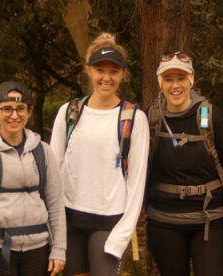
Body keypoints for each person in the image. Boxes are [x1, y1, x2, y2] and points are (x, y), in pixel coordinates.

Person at [50, 33, 149, 276]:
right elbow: (52, 171)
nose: (106, 78)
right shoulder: (69, 112)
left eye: (114, 71)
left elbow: (136, 185)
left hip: (109, 222)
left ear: (123, 74)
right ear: (88, 71)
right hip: (69, 220)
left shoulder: (133, 118)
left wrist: (122, 236)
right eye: (100, 70)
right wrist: (53, 227)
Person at [0, 81, 66, 276]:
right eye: (6, 109)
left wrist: (59, 248)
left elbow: (56, 202)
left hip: (38, 248)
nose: (14, 115)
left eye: (20, 109)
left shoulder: (43, 151)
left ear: (30, 111)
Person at [145, 51, 223, 276]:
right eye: (168, 79)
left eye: (181, 78)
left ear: (191, 79)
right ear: (159, 82)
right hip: (164, 220)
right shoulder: (150, 119)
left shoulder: (212, 117)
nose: (175, 85)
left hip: (209, 219)